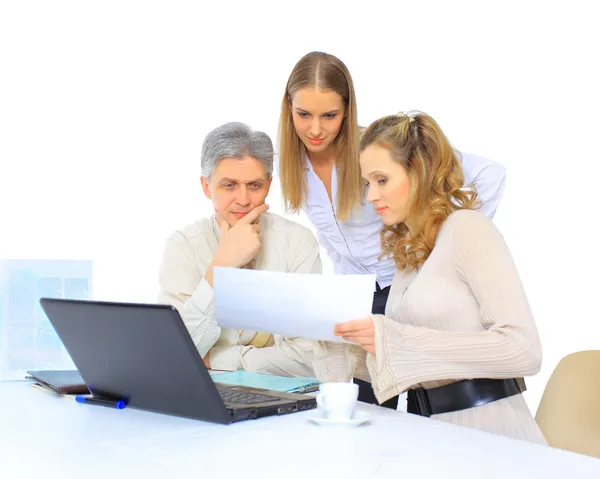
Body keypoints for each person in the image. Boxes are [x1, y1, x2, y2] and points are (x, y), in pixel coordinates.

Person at [277, 51, 507, 407]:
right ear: (288, 109)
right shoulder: (292, 163)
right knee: (360, 407)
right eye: (303, 114)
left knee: (424, 402)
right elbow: (335, 240)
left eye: (330, 115)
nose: (316, 129)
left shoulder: (378, 149)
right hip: (354, 299)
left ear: (348, 109)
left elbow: (489, 175)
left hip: (404, 289)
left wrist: (446, 248)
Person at [314, 111, 546, 444]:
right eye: (368, 183)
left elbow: (524, 350)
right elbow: (407, 359)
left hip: (489, 432)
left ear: (418, 172)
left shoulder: (468, 228)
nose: (370, 197)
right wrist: (342, 342)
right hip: (428, 429)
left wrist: (392, 338)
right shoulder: (409, 254)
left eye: (381, 180)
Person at [158, 122, 320, 377]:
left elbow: (309, 358)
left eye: (254, 185)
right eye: (229, 185)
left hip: (286, 402)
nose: (243, 200)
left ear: (268, 185)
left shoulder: (297, 242)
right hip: (205, 396)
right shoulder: (183, 246)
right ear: (206, 186)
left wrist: (217, 359)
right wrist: (223, 264)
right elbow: (174, 355)